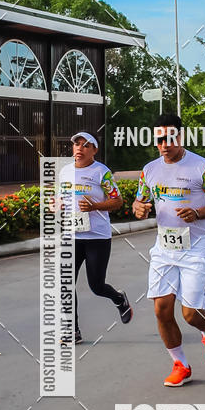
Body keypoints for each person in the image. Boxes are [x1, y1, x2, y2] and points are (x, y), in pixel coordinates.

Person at [132, 112, 205, 387]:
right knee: (162, 310)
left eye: (170, 138)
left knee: (190, 314)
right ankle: (180, 364)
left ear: (180, 136)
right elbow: (139, 201)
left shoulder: (201, 168)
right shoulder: (149, 170)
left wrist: (198, 213)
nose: (164, 144)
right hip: (164, 248)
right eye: (159, 139)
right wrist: (137, 208)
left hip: (196, 248)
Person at [62, 132, 133, 345]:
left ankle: (119, 299)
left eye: (85, 145)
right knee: (64, 284)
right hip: (71, 236)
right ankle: (72, 330)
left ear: (94, 150)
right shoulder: (64, 171)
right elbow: (62, 197)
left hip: (97, 237)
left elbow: (118, 201)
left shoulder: (101, 172)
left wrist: (94, 206)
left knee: (96, 285)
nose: (79, 149)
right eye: (76, 144)